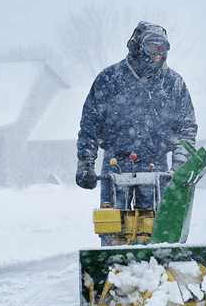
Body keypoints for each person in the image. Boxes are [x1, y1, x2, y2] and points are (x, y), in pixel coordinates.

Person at [75, 21, 197, 216]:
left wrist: (180, 164)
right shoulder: (110, 78)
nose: (158, 54)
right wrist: (86, 163)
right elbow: (90, 124)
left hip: (156, 166)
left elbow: (187, 128)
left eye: (163, 48)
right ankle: (113, 246)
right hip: (115, 164)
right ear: (138, 47)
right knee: (112, 225)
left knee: (155, 228)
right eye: (152, 47)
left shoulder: (174, 84)